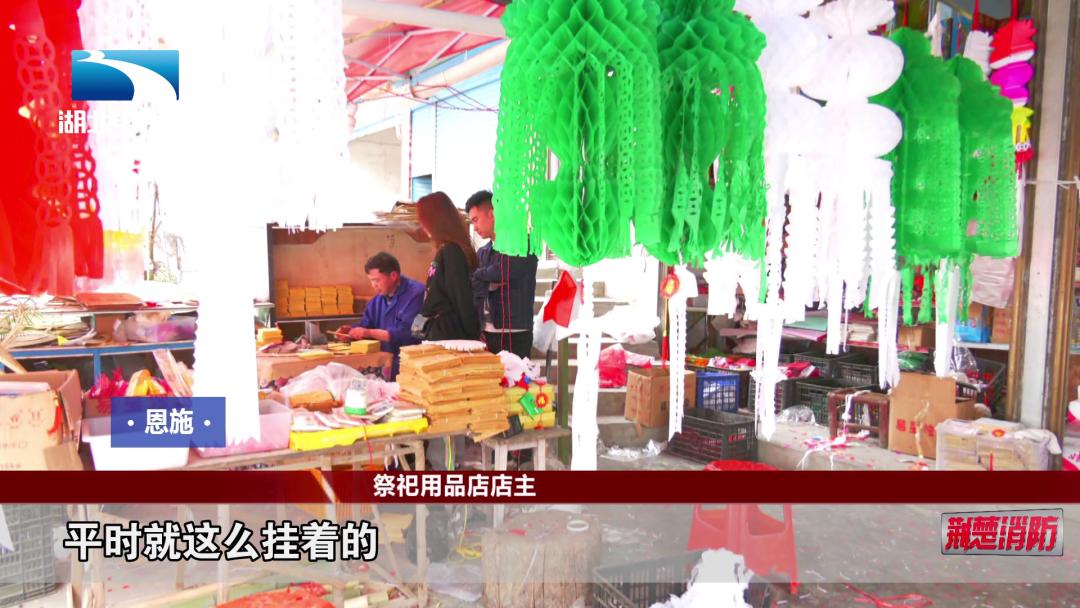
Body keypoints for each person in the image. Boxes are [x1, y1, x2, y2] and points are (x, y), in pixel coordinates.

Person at [465, 189, 538, 359]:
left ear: (491, 214)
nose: (475, 227)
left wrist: (481, 276)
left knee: (516, 375)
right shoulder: (483, 251)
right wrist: (488, 283)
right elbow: (471, 283)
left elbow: (503, 272)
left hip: (515, 332)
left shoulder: (522, 244)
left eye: (476, 220)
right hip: (486, 332)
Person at [336, 252, 424, 379]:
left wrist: (369, 332)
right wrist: (351, 333)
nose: (373, 285)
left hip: (410, 368)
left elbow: (410, 334)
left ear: (393, 275)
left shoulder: (417, 294)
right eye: (371, 281)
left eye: (376, 280)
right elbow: (366, 325)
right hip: (385, 366)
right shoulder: (377, 300)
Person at [416, 191, 480, 341]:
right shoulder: (444, 250)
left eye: (423, 220)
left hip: (448, 335)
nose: (422, 226)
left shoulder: (451, 251)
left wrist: (473, 335)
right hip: (439, 332)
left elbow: (461, 296)